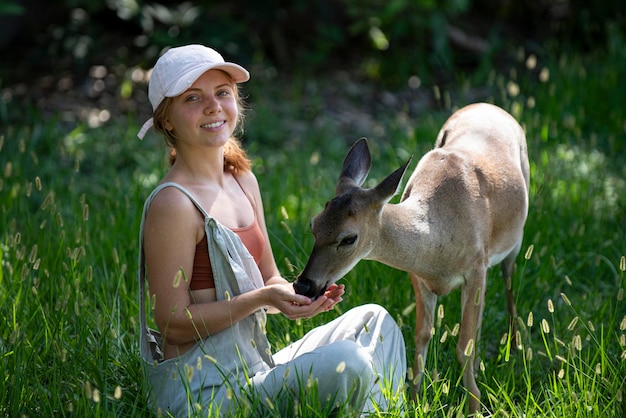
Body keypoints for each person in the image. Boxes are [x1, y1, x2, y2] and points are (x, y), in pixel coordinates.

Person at [136, 44, 406, 417]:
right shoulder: (174, 205)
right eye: (193, 98)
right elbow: (172, 324)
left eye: (222, 93)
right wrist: (263, 299)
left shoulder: (243, 180)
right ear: (166, 119)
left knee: (375, 322)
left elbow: (270, 279)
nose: (213, 106)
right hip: (204, 396)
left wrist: (299, 300)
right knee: (351, 360)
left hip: (256, 371)